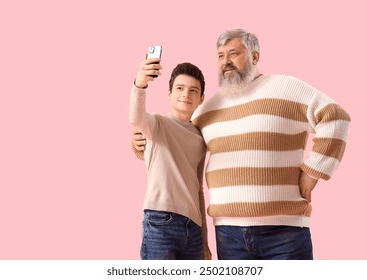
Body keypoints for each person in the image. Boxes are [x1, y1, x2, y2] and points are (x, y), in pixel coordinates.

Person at [131, 29, 351, 260]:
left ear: (254, 57)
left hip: (285, 232)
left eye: (234, 53)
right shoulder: (206, 110)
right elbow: (177, 141)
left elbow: (336, 116)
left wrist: (314, 170)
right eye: (220, 55)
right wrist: (140, 142)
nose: (226, 61)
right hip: (228, 235)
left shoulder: (287, 88)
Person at [129, 56, 211, 260]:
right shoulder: (157, 124)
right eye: (180, 88)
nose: (186, 94)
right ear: (169, 93)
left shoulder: (201, 139)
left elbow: (198, 188)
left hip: (192, 228)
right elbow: (136, 118)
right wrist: (140, 84)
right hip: (159, 221)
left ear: (201, 98)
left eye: (194, 90)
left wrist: (204, 239)